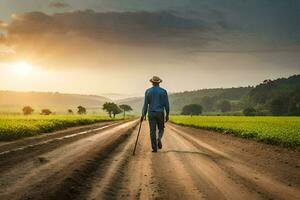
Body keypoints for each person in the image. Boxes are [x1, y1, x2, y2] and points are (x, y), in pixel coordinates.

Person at [141, 76, 170, 152]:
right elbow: (167, 104)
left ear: (152, 82)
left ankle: (154, 148)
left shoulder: (148, 91)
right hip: (160, 113)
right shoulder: (163, 91)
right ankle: (159, 138)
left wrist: (143, 115)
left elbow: (145, 105)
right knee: (161, 129)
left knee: (152, 131)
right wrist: (167, 115)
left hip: (151, 113)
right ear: (159, 82)